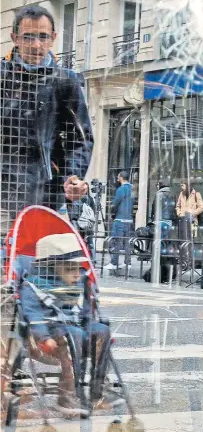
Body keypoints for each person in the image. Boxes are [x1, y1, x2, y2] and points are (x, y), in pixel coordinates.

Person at [0, 6, 93, 234]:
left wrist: (72, 176)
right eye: (28, 37)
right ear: (15, 39)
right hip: (4, 196)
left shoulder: (65, 82)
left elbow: (80, 139)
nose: (36, 45)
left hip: (47, 195)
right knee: (8, 265)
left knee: (55, 265)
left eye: (42, 37)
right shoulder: (2, 76)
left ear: (53, 39)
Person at [20, 233, 123, 415]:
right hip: (47, 338)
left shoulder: (79, 283)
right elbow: (33, 316)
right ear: (50, 267)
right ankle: (66, 396)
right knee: (73, 333)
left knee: (102, 330)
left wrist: (96, 334)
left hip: (77, 331)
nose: (77, 274)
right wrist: (43, 337)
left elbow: (85, 315)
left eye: (78, 268)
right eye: (70, 269)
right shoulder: (32, 286)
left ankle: (97, 392)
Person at [104, 171, 134, 271]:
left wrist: (112, 213)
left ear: (120, 178)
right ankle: (128, 262)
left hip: (120, 219)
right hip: (129, 219)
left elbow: (115, 203)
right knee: (127, 242)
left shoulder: (121, 189)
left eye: (118, 177)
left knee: (116, 241)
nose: (117, 178)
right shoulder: (132, 189)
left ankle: (114, 262)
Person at [70, 182, 96, 261]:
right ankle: (92, 260)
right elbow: (93, 211)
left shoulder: (77, 198)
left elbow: (74, 213)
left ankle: (80, 259)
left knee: (79, 242)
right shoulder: (90, 199)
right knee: (90, 242)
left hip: (78, 223)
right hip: (88, 224)